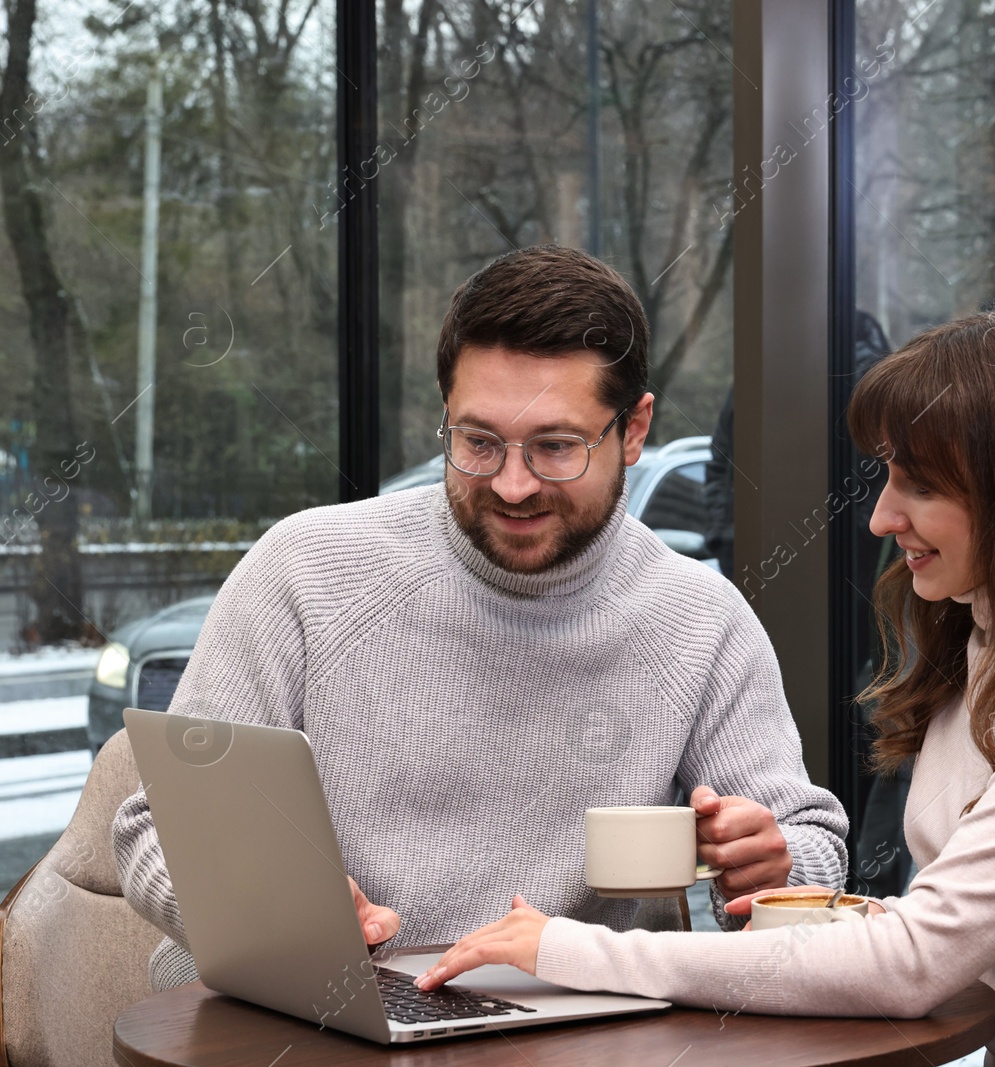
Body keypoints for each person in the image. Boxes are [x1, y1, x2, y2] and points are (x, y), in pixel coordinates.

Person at [414, 305, 995, 1067]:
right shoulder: (985, 646)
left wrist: (567, 949)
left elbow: (919, 958)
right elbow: (942, 921)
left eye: (917, 485)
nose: (885, 514)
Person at [111, 245, 849, 991]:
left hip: (572, 1028)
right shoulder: (305, 570)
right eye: (479, 441)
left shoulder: (699, 619)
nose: (514, 483)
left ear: (633, 430)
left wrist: (772, 864)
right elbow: (156, 829)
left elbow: (811, 844)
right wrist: (271, 909)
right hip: (323, 1015)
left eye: (556, 446)